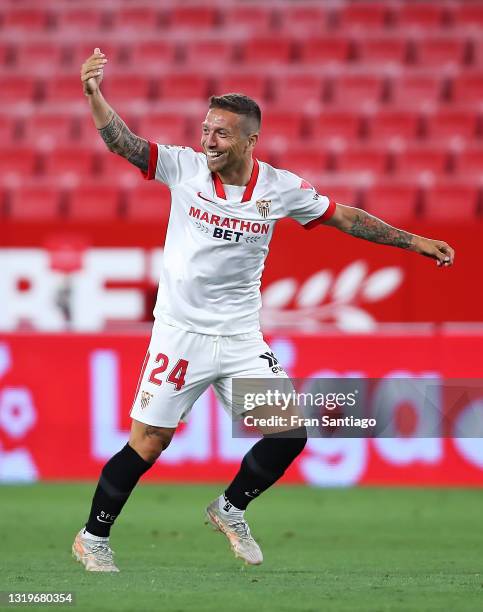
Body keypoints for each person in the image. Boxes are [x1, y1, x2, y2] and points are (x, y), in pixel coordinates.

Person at [72, 49, 455, 572]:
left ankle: (230, 507)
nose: (208, 140)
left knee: (289, 433)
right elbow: (125, 144)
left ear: (251, 140)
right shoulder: (182, 168)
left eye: (221, 133)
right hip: (180, 333)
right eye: (206, 129)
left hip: (239, 338)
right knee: (150, 440)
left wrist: (414, 241)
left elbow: (344, 218)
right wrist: (95, 96)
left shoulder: (280, 189)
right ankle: (93, 538)